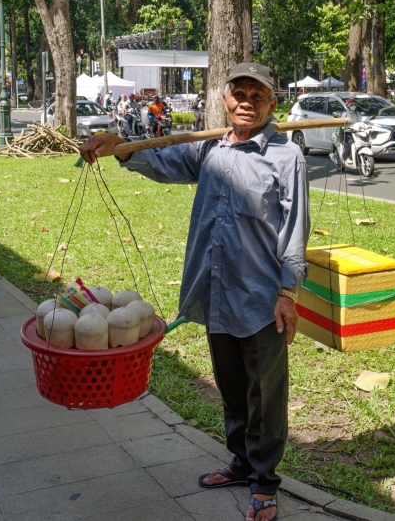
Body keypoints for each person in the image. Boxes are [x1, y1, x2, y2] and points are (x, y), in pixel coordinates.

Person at [79, 62, 308, 521]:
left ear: (272, 104)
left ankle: (264, 482)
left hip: (261, 297)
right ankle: (241, 462)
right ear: (226, 99)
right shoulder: (210, 150)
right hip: (215, 289)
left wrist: (288, 292)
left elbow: (295, 229)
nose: (246, 101)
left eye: (256, 95)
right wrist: (121, 149)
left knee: (265, 392)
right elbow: (162, 163)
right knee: (230, 386)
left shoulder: (287, 157)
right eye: (238, 93)